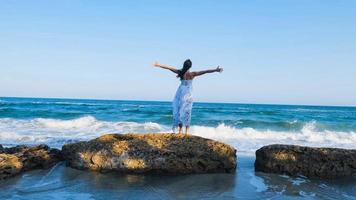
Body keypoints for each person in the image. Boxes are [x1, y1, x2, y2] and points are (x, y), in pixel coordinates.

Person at [153, 59, 223, 135]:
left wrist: (158, 65)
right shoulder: (192, 74)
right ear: (190, 66)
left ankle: (180, 131)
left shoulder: (180, 72)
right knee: (187, 112)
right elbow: (205, 71)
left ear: (184, 65)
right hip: (188, 94)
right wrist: (216, 70)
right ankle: (187, 132)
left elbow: (169, 68)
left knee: (179, 110)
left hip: (180, 93)